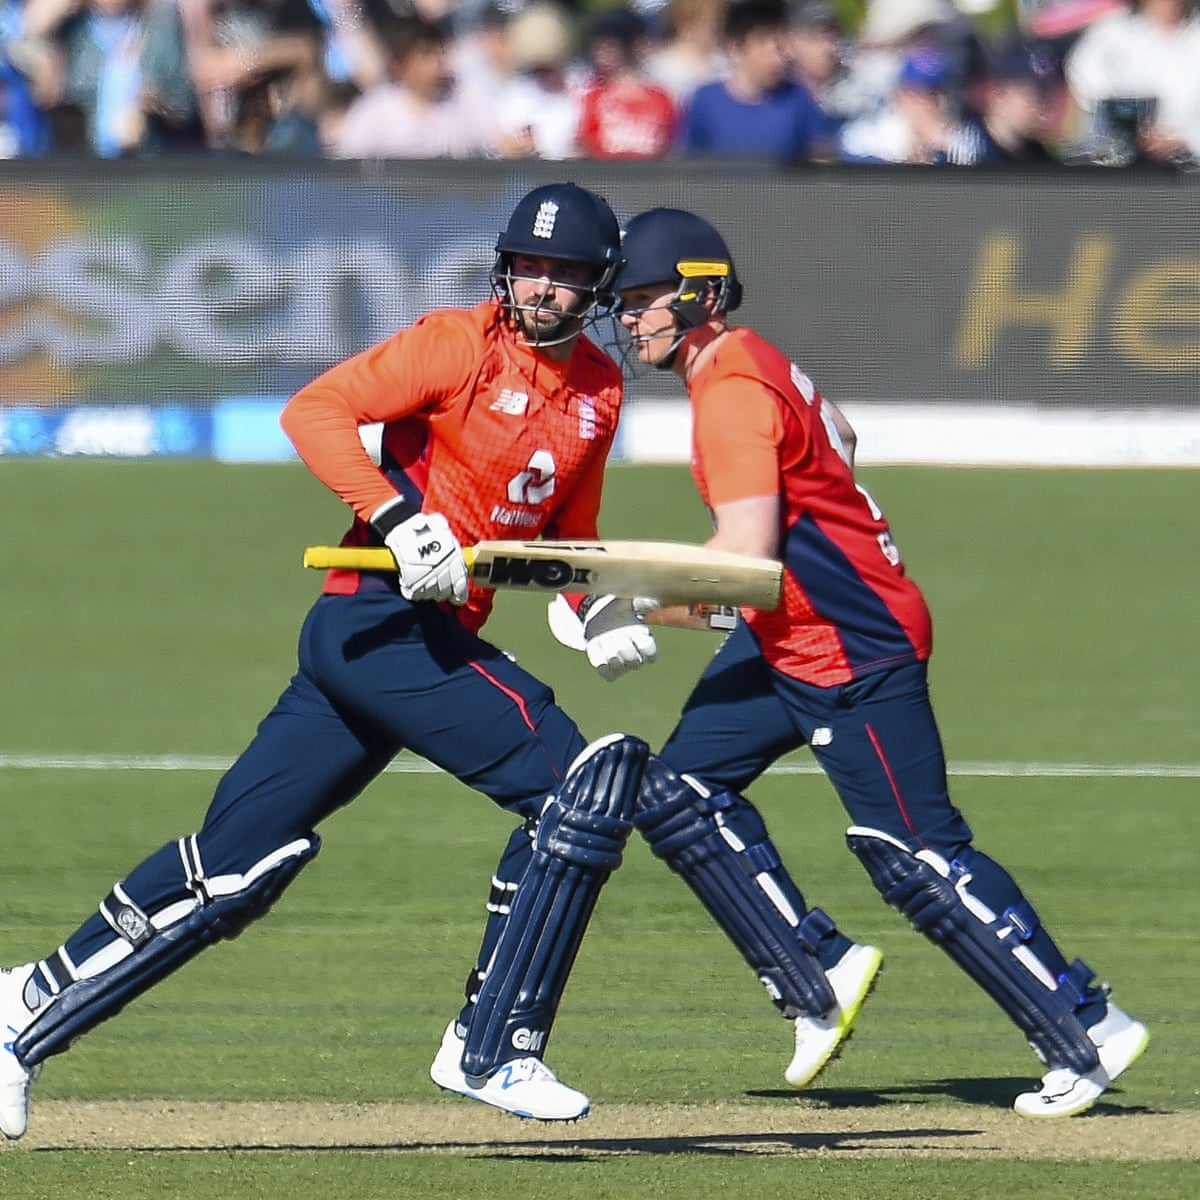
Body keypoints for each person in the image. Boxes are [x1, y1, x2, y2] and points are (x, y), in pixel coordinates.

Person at [0, 182, 655, 1140]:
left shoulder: (599, 389)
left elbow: (565, 530)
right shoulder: (455, 344)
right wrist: (397, 518)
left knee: (235, 867)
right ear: (505, 268)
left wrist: (592, 604)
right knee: (579, 793)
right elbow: (316, 410)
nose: (541, 288)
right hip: (378, 624)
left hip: (416, 639)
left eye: (565, 274)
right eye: (529, 266)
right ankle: (491, 1044)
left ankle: (24, 1002)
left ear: (597, 286)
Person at [610, 206, 1150, 1119]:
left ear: (699, 293)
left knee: (914, 853)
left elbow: (742, 561)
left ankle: (1087, 1023)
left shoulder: (730, 392)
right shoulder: (753, 360)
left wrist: (632, 602)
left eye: (643, 299)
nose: (629, 319)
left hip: (849, 644)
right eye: (623, 304)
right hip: (794, 633)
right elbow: (844, 435)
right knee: (679, 795)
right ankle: (817, 970)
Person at [678, 0, 830, 162]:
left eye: (783, 46)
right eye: (771, 45)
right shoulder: (705, 100)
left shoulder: (798, 98)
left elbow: (820, 158)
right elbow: (685, 163)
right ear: (736, 48)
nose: (782, 58)